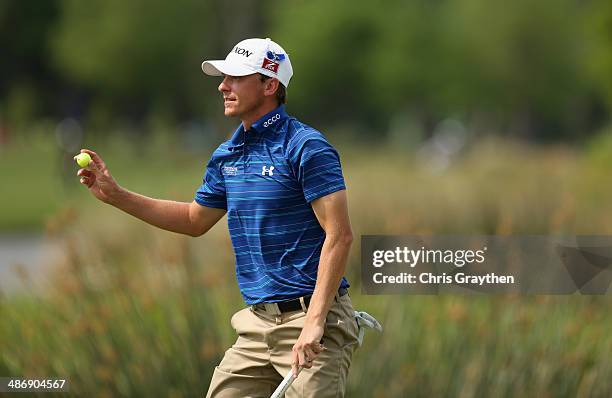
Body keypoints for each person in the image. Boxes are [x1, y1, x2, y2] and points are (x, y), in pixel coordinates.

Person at [76, 37, 359, 397]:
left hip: (312, 322)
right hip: (256, 323)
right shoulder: (228, 154)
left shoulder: (305, 147)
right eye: (223, 77)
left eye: (236, 77)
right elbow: (195, 220)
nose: (223, 86)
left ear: (270, 85)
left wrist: (315, 322)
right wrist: (118, 196)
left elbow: (340, 236)